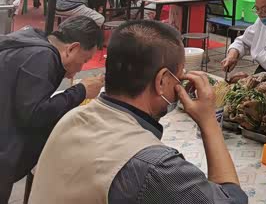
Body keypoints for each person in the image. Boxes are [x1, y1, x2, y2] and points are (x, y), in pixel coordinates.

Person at [29, 20, 248, 204]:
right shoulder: (154, 167)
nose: (179, 85)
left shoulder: (71, 117)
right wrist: (209, 121)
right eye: (179, 76)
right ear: (162, 81)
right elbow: (233, 199)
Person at [0, 16, 104, 203]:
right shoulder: (43, 57)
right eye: (84, 60)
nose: (81, 67)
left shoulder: (29, 40)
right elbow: (34, 115)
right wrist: (80, 91)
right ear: (72, 48)